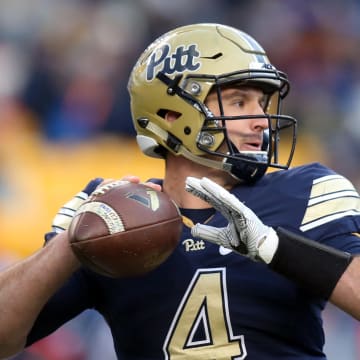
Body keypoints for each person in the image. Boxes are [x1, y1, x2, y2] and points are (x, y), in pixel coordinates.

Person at [0, 23, 360, 359]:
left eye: (262, 104)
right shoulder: (114, 212)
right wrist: (72, 243)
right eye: (239, 102)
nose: (260, 120)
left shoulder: (307, 189)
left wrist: (276, 248)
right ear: (171, 114)